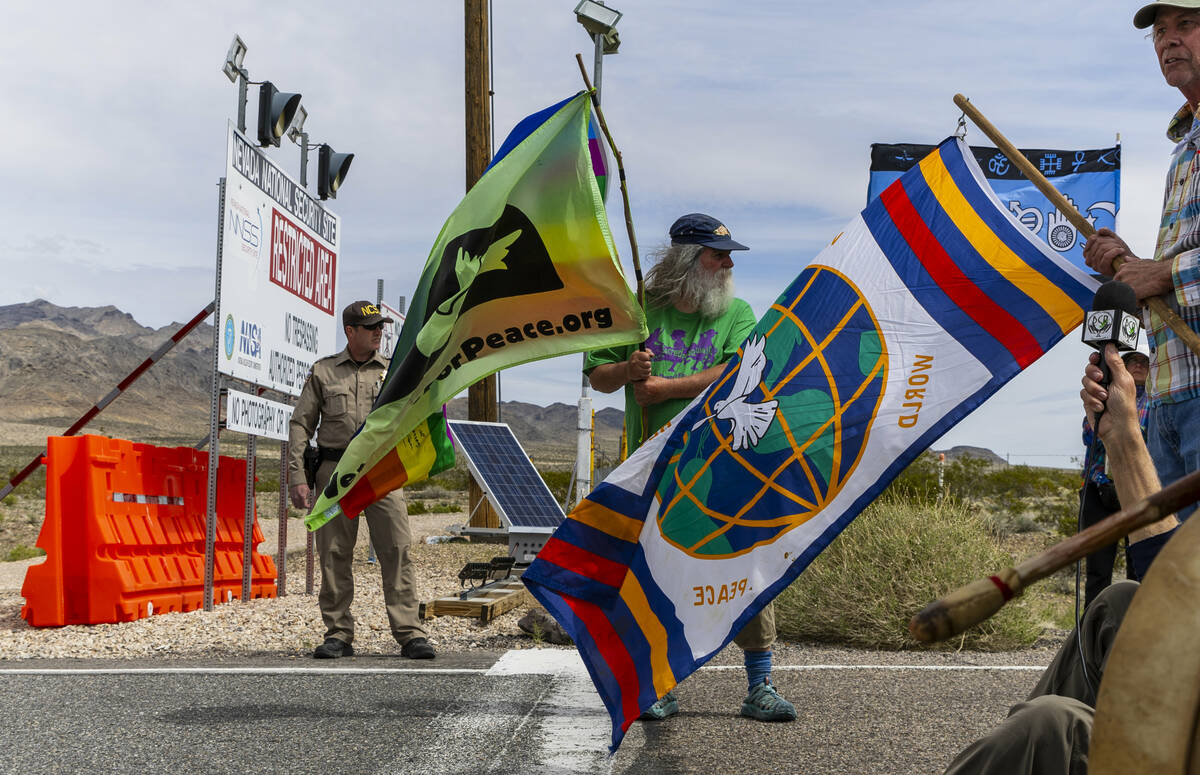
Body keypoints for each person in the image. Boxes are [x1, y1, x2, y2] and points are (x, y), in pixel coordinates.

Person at [584, 213, 796, 723]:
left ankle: (760, 684)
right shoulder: (636, 310)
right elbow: (599, 375)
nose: (726, 264)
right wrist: (627, 369)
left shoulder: (737, 312)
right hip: (649, 462)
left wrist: (662, 388)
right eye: (716, 254)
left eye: (727, 256)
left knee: (743, 562)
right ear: (685, 259)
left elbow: (734, 372)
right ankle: (658, 684)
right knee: (654, 570)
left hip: (720, 461)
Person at [942, 345, 1179, 774]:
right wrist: (1118, 434)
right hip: (1107, 487)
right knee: (1117, 599)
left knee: (1052, 724)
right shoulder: (1153, 407)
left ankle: (1031, 751)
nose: (1141, 367)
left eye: (1142, 362)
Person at [1083, 0, 1200, 522]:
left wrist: (1164, 272)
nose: (1168, 40)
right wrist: (1131, 265)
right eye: (1159, 31)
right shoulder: (1182, 150)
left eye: (1187, 25)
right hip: (1170, 395)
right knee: (1170, 584)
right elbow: (1174, 268)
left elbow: (1174, 271)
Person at [288, 300, 434, 660]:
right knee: (334, 554)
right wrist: (296, 475)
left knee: (397, 550)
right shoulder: (323, 372)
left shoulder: (395, 371)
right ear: (350, 331)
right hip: (335, 474)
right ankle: (338, 633)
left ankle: (410, 633)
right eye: (370, 328)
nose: (378, 333)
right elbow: (300, 424)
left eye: (380, 327)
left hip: (381, 473)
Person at [1077, 350, 1150, 608]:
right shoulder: (1104, 397)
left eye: (1144, 362)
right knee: (1097, 568)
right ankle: (1092, 629)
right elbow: (1089, 434)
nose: (1139, 366)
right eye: (1133, 362)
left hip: (1137, 490)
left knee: (1139, 564)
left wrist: (1127, 427)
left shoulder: (1155, 403)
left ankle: (1134, 627)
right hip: (1098, 487)